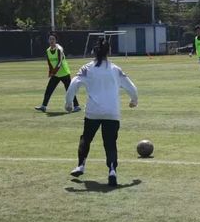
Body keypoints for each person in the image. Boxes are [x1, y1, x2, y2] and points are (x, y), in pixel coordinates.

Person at [66, 38, 138, 187]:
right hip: (112, 112)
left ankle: (81, 166)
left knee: (86, 138)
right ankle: (112, 171)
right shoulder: (115, 69)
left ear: (94, 52)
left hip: (93, 111)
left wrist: (69, 103)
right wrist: (134, 100)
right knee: (110, 143)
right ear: (109, 52)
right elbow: (131, 87)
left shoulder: (87, 68)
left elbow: (73, 83)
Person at [34, 32, 81, 113]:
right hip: (56, 74)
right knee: (49, 89)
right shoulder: (48, 50)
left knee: (69, 90)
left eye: (53, 39)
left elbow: (59, 62)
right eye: (50, 39)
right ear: (48, 40)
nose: (51, 41)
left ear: (56, 40)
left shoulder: (59, 49)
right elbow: (49, 62)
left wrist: (54, 71)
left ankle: (77, 106)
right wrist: (50, 71)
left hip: (64, 73)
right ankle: (43, 106)